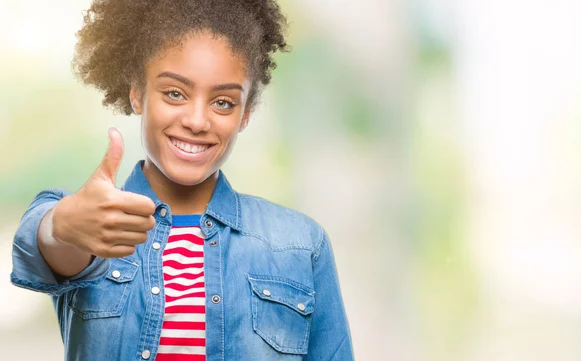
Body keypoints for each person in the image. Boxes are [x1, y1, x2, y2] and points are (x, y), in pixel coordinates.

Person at [9, 1, 354, 360]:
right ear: (137, 92)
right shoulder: (94, 222)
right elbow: (45, 239)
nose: (197, 120)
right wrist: (64, 225)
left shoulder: (300, 244)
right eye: (175, 93)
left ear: (246, 113)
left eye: (223, 102)